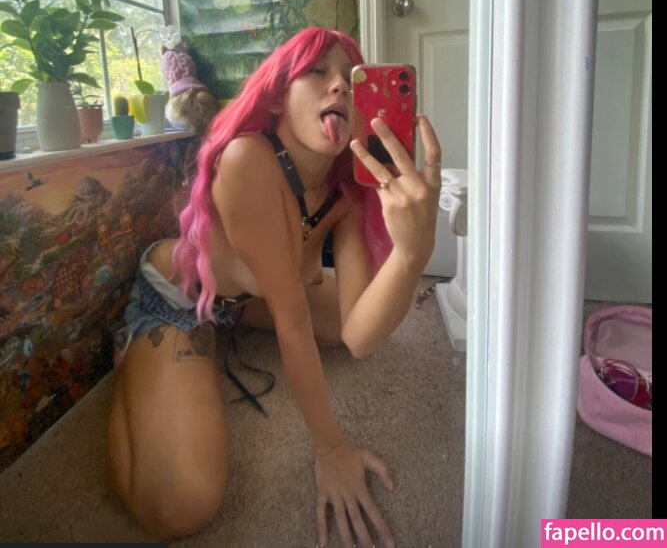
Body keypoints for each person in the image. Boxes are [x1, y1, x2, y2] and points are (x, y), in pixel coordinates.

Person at [106, 27, 442, 547]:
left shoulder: (346, 192)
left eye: (351, 79)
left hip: (243, 301)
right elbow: (292, 320)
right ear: (280, 97)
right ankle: (134, 358)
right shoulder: (248, 160)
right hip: (178, 299)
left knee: (336, 326)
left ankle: (223, 329)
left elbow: (359, 336)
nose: (339, 86)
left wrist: (413, 253)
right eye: (318, 71)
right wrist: (330, 449)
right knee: (181, 505)